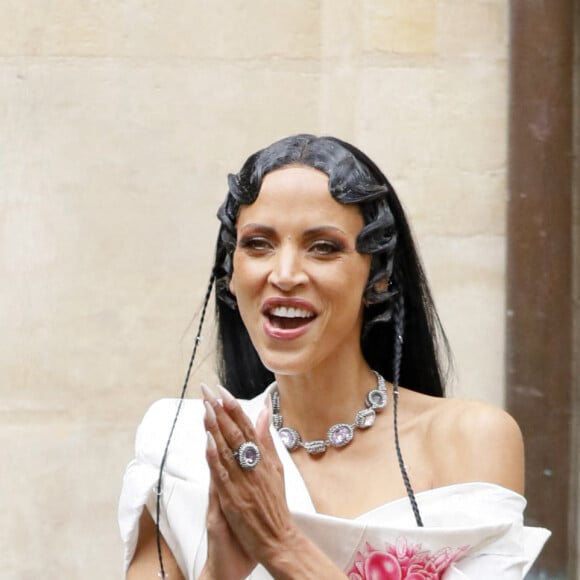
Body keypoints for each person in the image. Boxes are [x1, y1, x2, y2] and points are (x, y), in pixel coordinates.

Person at [119, 135, 550, 579]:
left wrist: (280, 544)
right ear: (231, 273)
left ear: (379, 278)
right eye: (258, 244)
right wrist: (221, 569)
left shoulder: (468, 441)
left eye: (323, 247)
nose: (284, 275)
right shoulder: (181, 445)